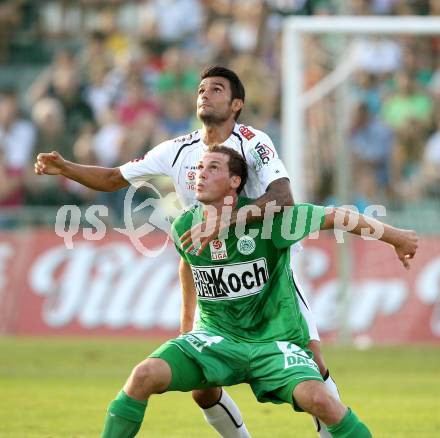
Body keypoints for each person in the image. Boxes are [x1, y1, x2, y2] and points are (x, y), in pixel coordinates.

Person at [36, 65, 341, 437]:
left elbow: (284, 199)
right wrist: (67, 168)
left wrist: (226, 222)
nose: (205, 93)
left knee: (313, 362)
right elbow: (116, 178)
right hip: (212, 274)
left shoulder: (254, 142)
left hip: (266, 277)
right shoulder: (178, 150)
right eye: (201, 88)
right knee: (202, 388)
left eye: (216, 89)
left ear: (236, 104)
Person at [99, 145, 417, 437]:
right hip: (217, 340)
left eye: (212, 168)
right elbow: (188, 265)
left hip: (273, 342)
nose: (199, 174)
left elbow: (334, 216)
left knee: (321, 400)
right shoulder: (184, 225)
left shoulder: (269, 221)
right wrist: (186, 330)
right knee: (143, 376)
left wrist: (395, 237)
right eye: (198, 168)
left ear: (235, 181)